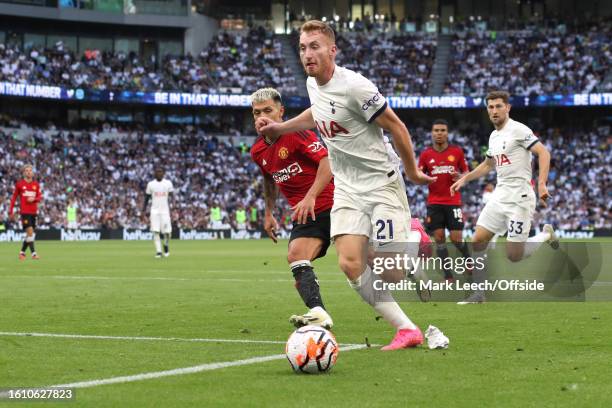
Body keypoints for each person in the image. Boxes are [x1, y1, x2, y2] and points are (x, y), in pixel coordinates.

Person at [256, 20, 435, 350]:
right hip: (348, 188)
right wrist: (281, 128)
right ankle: (406, 329)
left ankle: (413, 235)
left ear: (332, 50)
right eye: (302, 48)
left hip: (380, 184)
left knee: (390, 273)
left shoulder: (356, 87)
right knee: (350, 263)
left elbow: (397, 128)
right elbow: (318, 114)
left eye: (314, 46)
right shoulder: (314, 85)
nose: (307, 54)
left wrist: (411, 171)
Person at [450, 91, 559, 304]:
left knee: (514, 255)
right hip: (500, 195)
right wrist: (466, 178)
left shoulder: (518, 130)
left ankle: (546, 235)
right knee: (478, 240)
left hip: (520, 197)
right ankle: (479, 294)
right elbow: (488, 164)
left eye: (498, 106)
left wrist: (542, 183)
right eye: (490, 107)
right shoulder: (494, 135)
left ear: (507, 107)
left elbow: (543, 153)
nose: (494, 111)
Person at [250, 87, 334, 329]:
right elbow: (269, 178)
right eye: (257, 113)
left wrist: (310, 195)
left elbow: (327, 163)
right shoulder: (257, 150)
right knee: (296, 256)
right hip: (306, 213)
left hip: (334, 204)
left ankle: (412, 245)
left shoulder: (298, 134)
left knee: (364, 262)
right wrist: (268, 213)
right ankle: (319, 313)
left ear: (281, 112)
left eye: (268, 110)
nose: (262, 117)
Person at [418, 119, 470, 281]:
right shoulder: (426, 154)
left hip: (453, 201)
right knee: (439, 238)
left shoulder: (457, 152)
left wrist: (460, 176)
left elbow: (467, 174)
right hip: (434, 203)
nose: (439, 133)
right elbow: (418, 175)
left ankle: (468, 261)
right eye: (436, 130)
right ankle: (448, 276)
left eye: (442, 130)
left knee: (456, 239)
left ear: (447, 133)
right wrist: (425, 178)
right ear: (432, 133)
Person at [9, 164, 42, 260]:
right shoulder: (20, 184)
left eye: (30, 170)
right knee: (31, 232)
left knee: (30, 234)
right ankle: (33, 254)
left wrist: (34, 199)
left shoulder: (36, 185)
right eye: (26, 170)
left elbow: (40, 197)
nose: (28, 172)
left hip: (34, 212)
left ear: (32, 173)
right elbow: (14, 197)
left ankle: (22, 253)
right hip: (25, 212)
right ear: (24, 173)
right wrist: (10, 210)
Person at [142, 168, 174, 258]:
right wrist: (143, 210)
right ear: (154, 174)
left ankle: (166, 245)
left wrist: (174, 205)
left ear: (163, 173)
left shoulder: (168, 183)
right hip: (154, 211)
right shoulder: (150, 184)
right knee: (156, 231)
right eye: (157, 172)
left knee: (167, 232)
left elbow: (172, 196)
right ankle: (159, 251)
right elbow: (147, 198)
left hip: (165, 211)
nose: (159, 173)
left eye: (160, 172)